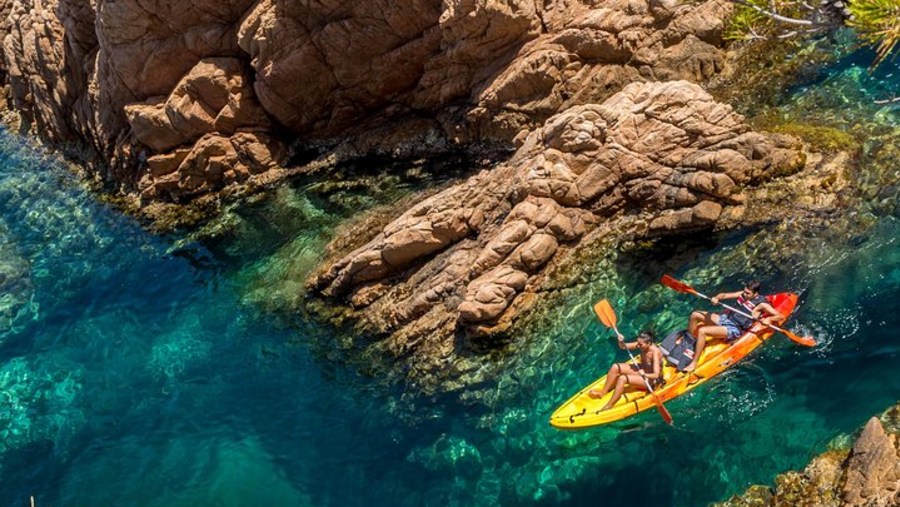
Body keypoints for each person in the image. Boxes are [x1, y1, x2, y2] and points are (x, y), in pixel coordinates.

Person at [684, 280, 783, 372]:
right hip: (725, 318)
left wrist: (769, 319)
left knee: (703, 331)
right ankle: (689, 341)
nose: (745, 294)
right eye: (745, 291)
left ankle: (693, 363)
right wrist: (717, 298)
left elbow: (779, 316)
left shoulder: (762, 304)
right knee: (695, 314)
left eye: (748, 293)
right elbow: (724, 295)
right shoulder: (743, 294)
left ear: (755, 294)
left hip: (734, 329)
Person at [588, 330, 664, 411]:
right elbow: (624, 346)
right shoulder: (641, 344)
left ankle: (610, 405)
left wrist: (645, 374)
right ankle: (603, 392)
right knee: (615, 367)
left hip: (651, 379)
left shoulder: (655, 352)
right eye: (637, 343)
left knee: (622, 378)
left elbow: (656, 374)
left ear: (649, 343)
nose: (638, 346)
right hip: (642, 370)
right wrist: (620, 341)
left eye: (640, 344)